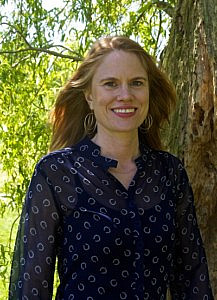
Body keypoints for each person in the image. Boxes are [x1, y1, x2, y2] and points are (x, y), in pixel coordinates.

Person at [9, 36, 214, 300]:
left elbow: (193, 279)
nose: (125, 95)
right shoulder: (57, 173)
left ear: (149, 91)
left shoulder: (169, 173)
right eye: (110, 84)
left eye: (136, 83)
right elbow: (31, 286)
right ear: (89, 96)